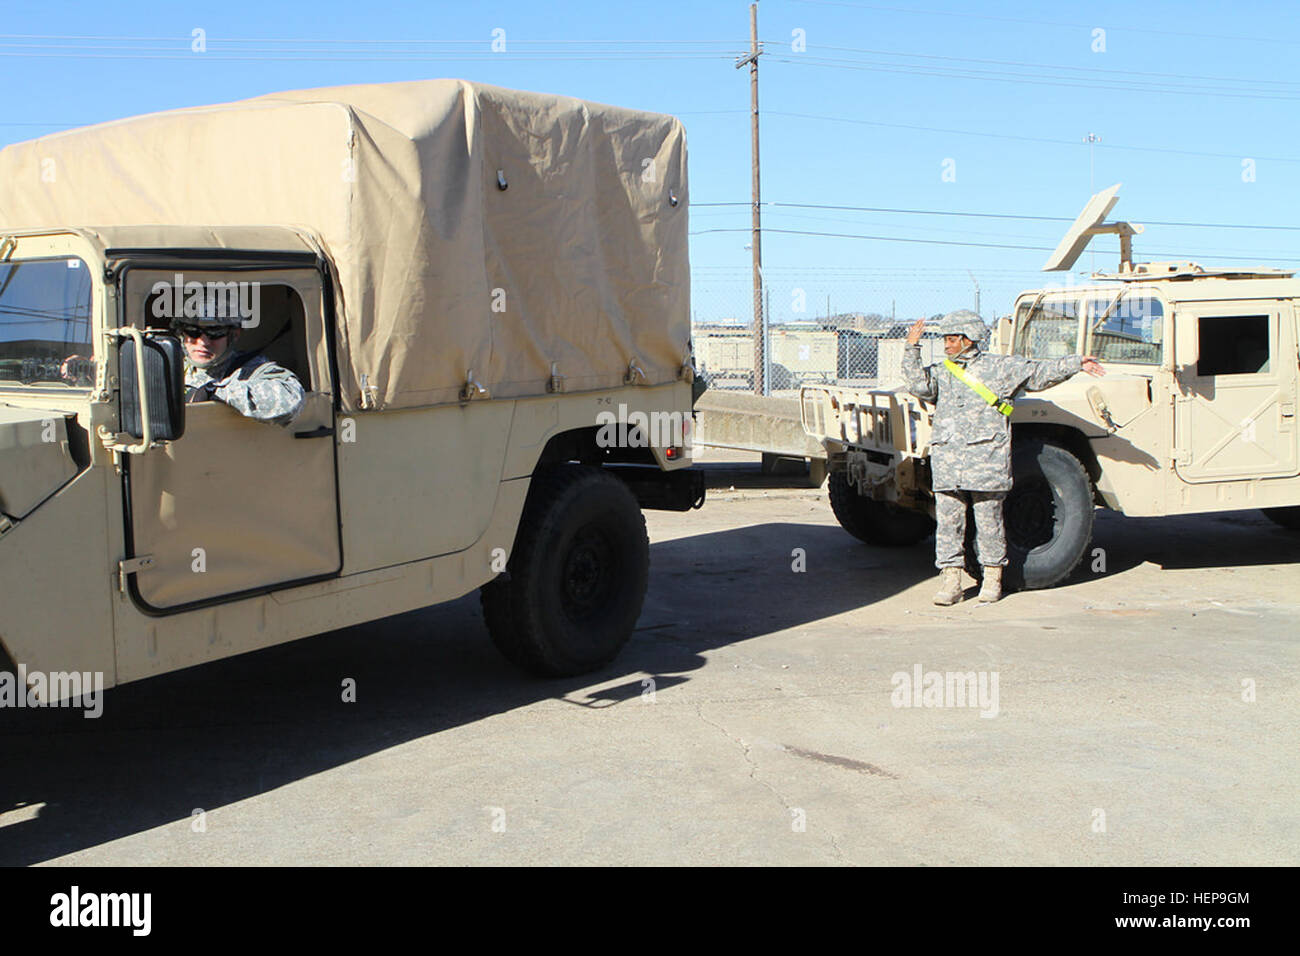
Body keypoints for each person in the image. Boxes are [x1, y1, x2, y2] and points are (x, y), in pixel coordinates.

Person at [903, 310, 1105, 605]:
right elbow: (918, 385)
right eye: (945, 339)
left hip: (986, 462)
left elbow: (1038, 373)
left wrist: (1076, 363)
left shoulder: (999, 368)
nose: (946, 345)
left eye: (951, 339)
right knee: (948, 525)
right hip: (949, 463)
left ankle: (992, 578)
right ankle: (951, 581)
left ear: (967, 339)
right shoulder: (943, 372)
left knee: (990, 524)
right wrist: (912, 348)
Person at [173, 311, 305, 426]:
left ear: (234, 335)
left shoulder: (250, 369)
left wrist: (216, 391)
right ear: (181, 333)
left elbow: (291, 399)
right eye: (192, 331)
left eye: (215, 332)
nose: (203, 342)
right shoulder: (174, 367)